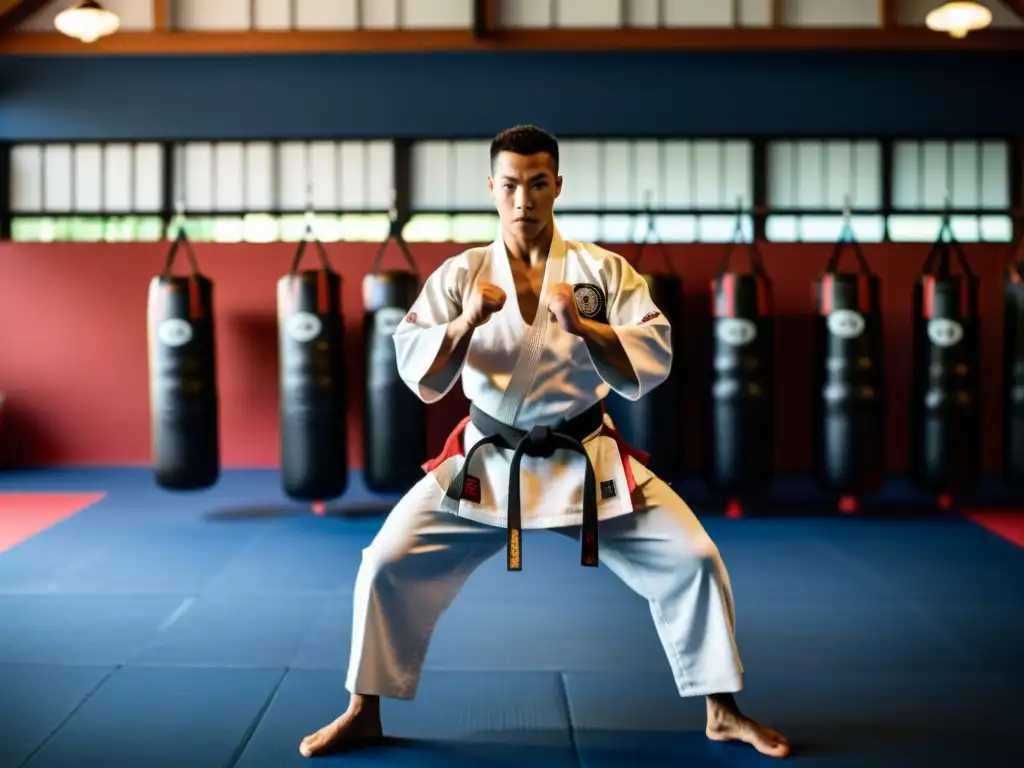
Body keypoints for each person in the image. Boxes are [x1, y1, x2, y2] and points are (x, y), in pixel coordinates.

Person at [299, 125, 790, 760]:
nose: (523, 199)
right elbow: (417, 366)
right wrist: (468, 321)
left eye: (537, 184)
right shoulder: (462, 274)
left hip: (587, 460)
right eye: (509, 186)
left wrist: (583, 326)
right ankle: (363, 710)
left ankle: (722, 711)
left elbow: (655, 353)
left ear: (557, 184)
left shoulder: (602, 271)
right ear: (491, 189)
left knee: (694, 558)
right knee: (385, 562)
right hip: (486, 460)